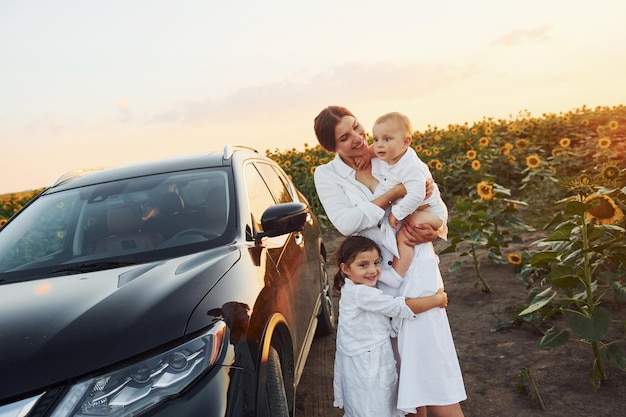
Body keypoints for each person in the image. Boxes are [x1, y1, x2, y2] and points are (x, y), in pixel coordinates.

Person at [313, 105, 466, 417]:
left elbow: (432, 198)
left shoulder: (390, 150)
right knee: (398, 366)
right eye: (345, 137)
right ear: (332, 147)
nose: (358, 138)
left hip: (417, 264)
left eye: (357, 127)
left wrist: (432, 228)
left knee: (429, 357)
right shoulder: (327, 175)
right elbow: (346, 222)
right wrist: (392, 194)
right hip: (379, 275)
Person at [332, 235, 448, 417]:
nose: (372, 270)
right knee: (374, 408)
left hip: (363, 359)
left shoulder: (355, 288)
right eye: (363, 265)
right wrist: (437, 299)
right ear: (345, 269)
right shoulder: (361, 293)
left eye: (376, 263)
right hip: (367, 363)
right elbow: (399, 306)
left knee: (369, 407)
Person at [370, 111, 449, 276]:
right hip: (421, 209)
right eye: (375, 139)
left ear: (406, 142)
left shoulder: (410, 166)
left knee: (405, 234)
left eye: (387, 139)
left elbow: (416, 195)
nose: (378, 145)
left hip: (431, 211)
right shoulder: (392, 157)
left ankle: (396, 275)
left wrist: (396, 214)